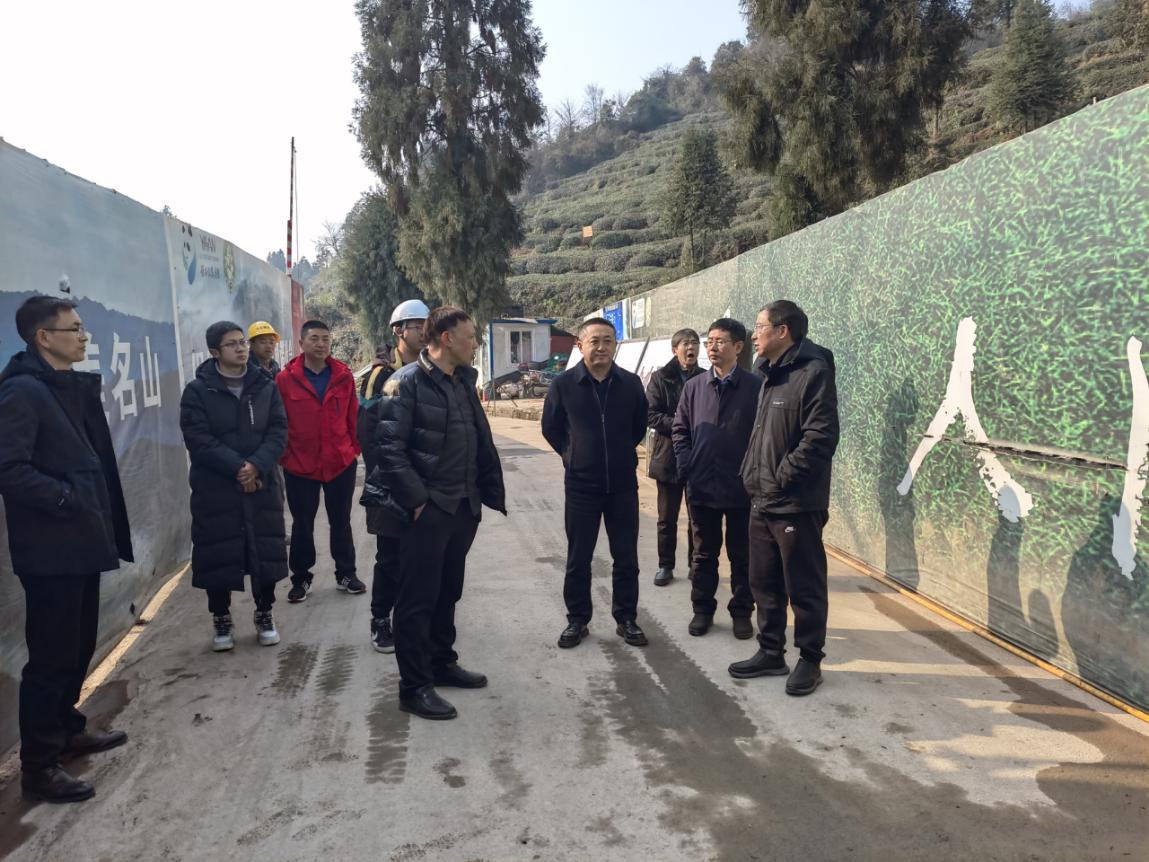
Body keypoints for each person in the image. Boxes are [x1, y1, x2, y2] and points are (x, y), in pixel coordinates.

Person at [0, 296, 133, 803]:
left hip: (79, 542)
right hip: (51, 551)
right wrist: (65, 497)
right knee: (51, 659)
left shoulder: (60, 386)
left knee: (76, 648)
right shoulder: (22, 392)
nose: (83, 336)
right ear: (43, 337)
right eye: (73, 329)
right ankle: (39, 766)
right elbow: (8, 469)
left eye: (82, 328)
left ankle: (66, 728)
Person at [363, 306, 505, 720]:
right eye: (470, 336)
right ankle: (414, 687)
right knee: (416, 600)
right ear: (446, 338)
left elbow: (477, 439)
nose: (475, 343)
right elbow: (388, 449)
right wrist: (418, 501)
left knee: (448, 591)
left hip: (462, 505)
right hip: (427, 510)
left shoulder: (461, 381)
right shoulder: (404, 383)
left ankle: (442, 662)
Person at [730, 301, 839, 696]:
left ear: (783, 331)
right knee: (764, 582)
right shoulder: (769, 373)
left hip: (795, 503)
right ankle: (771, 652)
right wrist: (753, 476)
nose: (753, 334)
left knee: (803, 586)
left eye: (759, 326)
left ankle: (810, 659)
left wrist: (781, 478)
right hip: (761, 498)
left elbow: (820, 437)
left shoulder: (813, 372)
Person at [179, 321, 289, 652]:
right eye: (232, 344)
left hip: (261, 483)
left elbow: (279, 431)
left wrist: (256, 465)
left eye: (242, 342)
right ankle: (221, 617)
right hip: (217, 487)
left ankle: (265, 612)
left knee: (264, 550)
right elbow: (197, 438)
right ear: (215, 352)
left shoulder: (265, 385)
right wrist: (238, 468)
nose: (241, 348)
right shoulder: (198, 391)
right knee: (218, 554)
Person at [541, 318, 649, 649]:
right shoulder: (564, 385)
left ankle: (626, 618)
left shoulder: (630, 384)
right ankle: (577, 619)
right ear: (580, 345)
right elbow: (551, 428)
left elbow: (638, 427)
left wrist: (619, 453)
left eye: (608, 341)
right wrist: (573, 455)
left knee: (626, 556)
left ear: (615, 344)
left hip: (623, 486)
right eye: (594, 341)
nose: (601, 347)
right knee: (579, 557)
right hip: (581, 486)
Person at [672, 318, 762, 639]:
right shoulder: (695, 386)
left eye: (720, 341)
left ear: (738, 347)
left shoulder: (755, 387)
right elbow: (680, 429)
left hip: (741, 488)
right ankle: (702, 611)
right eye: (709, 341)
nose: (712, 347)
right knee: (703, 554)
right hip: (702, 486)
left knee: (742, 556)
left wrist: (753, 474)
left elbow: (762, 436)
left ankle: (741, 612)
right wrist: (688, 466)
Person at [358, 298, 429, 653]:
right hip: (390, 482)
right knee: (390, 557)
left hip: (424, 480)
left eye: (427, 326)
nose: (424, 333)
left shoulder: (431, 369)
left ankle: (413, 619)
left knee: (422, 557)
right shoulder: (381, 376)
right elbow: (370, 435)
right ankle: (380, 620)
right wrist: (393, 480)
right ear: (399, 331)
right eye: (417, 327)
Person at [277, 320, 365, 601]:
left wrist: (353, 449)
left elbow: (353, 416)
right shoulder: (285, 380)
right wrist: (285, 456)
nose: (321, 344)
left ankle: (346, 573)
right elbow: (278, 421)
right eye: (314, 338)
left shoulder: (343, 376)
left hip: (339, 462)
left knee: (341, 521)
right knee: (302, 523)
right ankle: (301, 578)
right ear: (301, 343)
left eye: (326, 339)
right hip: (300, 465)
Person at [645, 328, 702, 586]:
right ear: (674, 350)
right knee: (666, 517)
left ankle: (695, 564)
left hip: (698, 456)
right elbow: (651, 415)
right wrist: (682, 426)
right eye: (686, 344)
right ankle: (665, 565)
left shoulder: (706, 377)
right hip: (668, 456)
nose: (691, 348)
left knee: (697, 518)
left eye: (695, 343)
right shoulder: (661, 378)